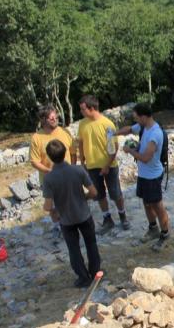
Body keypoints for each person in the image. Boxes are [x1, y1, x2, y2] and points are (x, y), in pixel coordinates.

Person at [42, 139, 102, 288]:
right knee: (91, 244)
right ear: (66, 153)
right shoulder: (78, 170)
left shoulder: (48, 178)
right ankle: (95, 273)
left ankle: (83, 278)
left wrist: (53, 210)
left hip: (66, 219)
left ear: (49, 157)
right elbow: (94, 192)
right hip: (84, 214)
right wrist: (84, 198)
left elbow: (48, 205)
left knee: (74, 249)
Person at [118, 104, 171, 251]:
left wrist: (129, 151)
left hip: (153, 176)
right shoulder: (143, 127)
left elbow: (146, 158)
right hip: (143, 175)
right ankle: (153, 229)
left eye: (136, 117)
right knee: (147, 203)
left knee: (157, 206)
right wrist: (113, 134)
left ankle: (165, 234)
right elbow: (128, 129)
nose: (135, 120)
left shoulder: (155, 133)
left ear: (143, 117)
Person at [77, 94, 129, 234]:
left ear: (92, 108)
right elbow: (81, 143)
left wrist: (107, 165)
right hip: (92, 166)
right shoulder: (82, 124)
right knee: (99, 194)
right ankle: (107, 219)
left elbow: (114, 147)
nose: (81, 112)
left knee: (116, 193)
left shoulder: (107, 124)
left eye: (83, 109)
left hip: (109, 166)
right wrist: (82, 163)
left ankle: (122, 216)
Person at [29, 104, 75, 238]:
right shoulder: (37, 138)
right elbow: (34, 161)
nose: (55, 120)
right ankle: (57, 226)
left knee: (69, 202)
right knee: (53, 206)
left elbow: (73, 152)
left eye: (56, 117)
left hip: (67, 175)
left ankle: (71, 224)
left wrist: (72, 168)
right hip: (49, 179)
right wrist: (50, 171)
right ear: (43, 120)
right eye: (51, 118)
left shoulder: (64, 132)